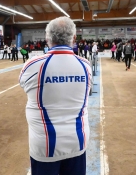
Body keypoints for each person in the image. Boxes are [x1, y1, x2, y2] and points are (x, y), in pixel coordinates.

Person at [19, 16, 92, 175]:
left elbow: (24, 85)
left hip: (45, 146)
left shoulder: (32, 65)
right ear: (74, 38)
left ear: (47, 38)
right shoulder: (85, 65)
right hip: (77, 142)